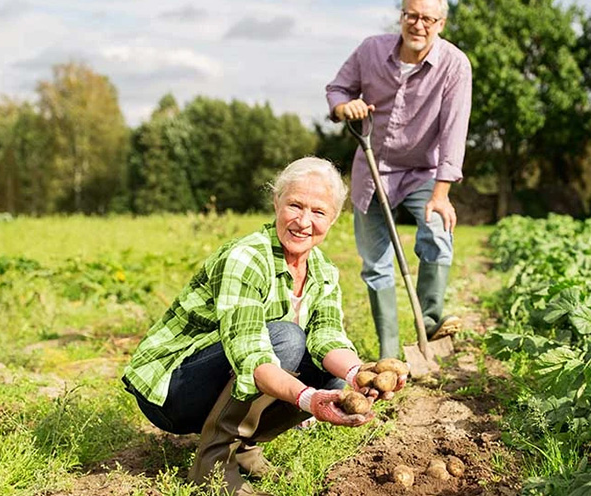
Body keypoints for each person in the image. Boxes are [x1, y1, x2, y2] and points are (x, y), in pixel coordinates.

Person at [122, 157, 404, 496]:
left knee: (333, 374)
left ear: (333, 219)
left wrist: (359, 373)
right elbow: (251, 356)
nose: (303, 221)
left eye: (318, 212)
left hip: (223, 375)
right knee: (286, 339)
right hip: (171, 389)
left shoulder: (324, 270)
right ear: (276, 203)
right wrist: (308, 400)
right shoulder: (247, 257)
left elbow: (328, 336)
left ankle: (244, 448)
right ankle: (212, 464)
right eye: (295, 206)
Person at [325, 0, 472, 359]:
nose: (418, 25)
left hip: (423, 171)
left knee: (437, 231)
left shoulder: (454, 64)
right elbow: (338, 89)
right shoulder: (370, 50)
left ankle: (432, 322)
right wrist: (345, 108)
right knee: (376, 264)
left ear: (441, 23)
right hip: (372, 170)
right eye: (411, 15)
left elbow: (454, 129)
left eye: (427, 18)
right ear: (402, 17)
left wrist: (442, 193)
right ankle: (389, 353)